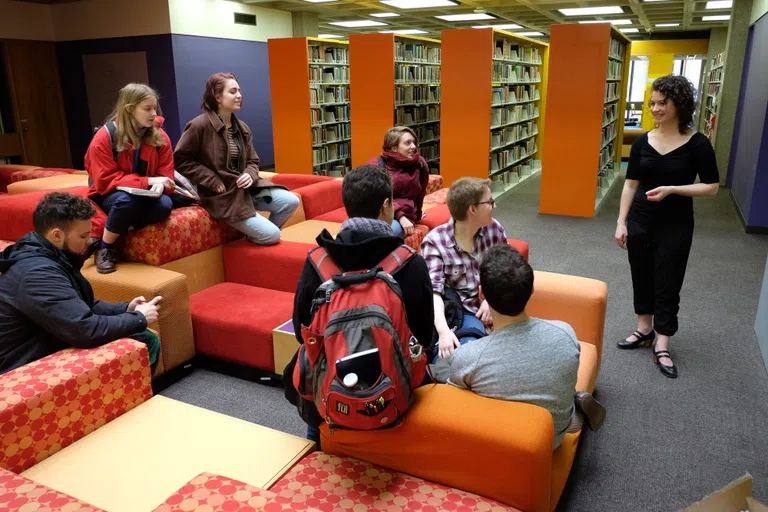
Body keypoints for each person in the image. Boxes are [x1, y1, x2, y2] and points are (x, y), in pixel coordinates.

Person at [284, 164, 434, 445]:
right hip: (392, 397)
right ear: (387, 206)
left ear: (346, 205)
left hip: (330, 396)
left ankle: (317, 443)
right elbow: (424, 337)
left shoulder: (317, 262)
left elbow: (299, 330)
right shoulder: (410, 262)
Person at [449, 245, 605, 449]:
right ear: (531, 291)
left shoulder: (469, 356)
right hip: (554, 439)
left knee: (450, 372)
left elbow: (455, 401)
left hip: (500, 442)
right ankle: (572, 404)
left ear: (481, 294)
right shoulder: (565, 332)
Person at [615, 75, 719, 379]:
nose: (655, 108)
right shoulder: (643, 142)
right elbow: (630, 184)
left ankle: (662, 342)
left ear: (679, 104)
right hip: (640, 220)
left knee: (668, 281)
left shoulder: (698, 144)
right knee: (641, 274)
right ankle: (644, 329)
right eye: (653, 103)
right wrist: (622, 222)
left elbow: (711, 187)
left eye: (663, 102)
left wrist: (673, 188)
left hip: (676, 224)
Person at [0, 192, 162, 375]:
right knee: (143, 339)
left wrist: (125, 309)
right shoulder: (37, 273)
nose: (90, 241)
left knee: (142, 337)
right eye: (84, 236)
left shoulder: (48, 255)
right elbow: (85, 330)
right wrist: (138, 318)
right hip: (18, 363)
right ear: (56, 235)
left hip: (45, 336)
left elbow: (79, 304)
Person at [174, 72, 299, 245]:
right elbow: (181, 160)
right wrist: (211, 180)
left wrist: (250, 173)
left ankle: (257, 235)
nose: (239, 95)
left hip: (246, 190)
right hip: (222, 196)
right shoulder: (198, 126)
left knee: (290, 201)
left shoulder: (242, 128)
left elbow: (253, 161)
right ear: (218, 97)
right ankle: (264, 236)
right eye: (232, 91)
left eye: (239, 91)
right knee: (272, 235)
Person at [85, 83, 176, 274]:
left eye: (155, 108)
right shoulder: (104, 137)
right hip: (109, 194)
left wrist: (161, 186)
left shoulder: (160, 136)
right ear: (129, 109)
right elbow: (104, 181)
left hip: (144, 195)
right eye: (147, 109)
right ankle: (105, 248)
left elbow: (166, 174)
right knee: (126, 202)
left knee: (165, 205)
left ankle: (121, 227)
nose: (154, 113)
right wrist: (149, 181)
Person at [421, 177, 508, 361]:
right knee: (465, 355)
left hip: (495, 305)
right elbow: (434, 293)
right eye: (490, 202)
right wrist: (444, 332)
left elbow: (506, 271)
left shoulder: (495, 230)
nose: (495, 206)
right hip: (462, 311)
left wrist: (490, 301)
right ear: (473, 209)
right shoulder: (435, 242)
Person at [368, 127, 430, 237]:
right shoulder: (376, 165)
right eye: (408, 143)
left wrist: (417, 215)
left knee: (383, 235)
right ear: (394, 148)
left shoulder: (419, 163)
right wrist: (401, 216)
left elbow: (421, 193)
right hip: (378, 214)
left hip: (405, 216)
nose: (414, 147)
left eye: (414, 142)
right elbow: (379, 195)